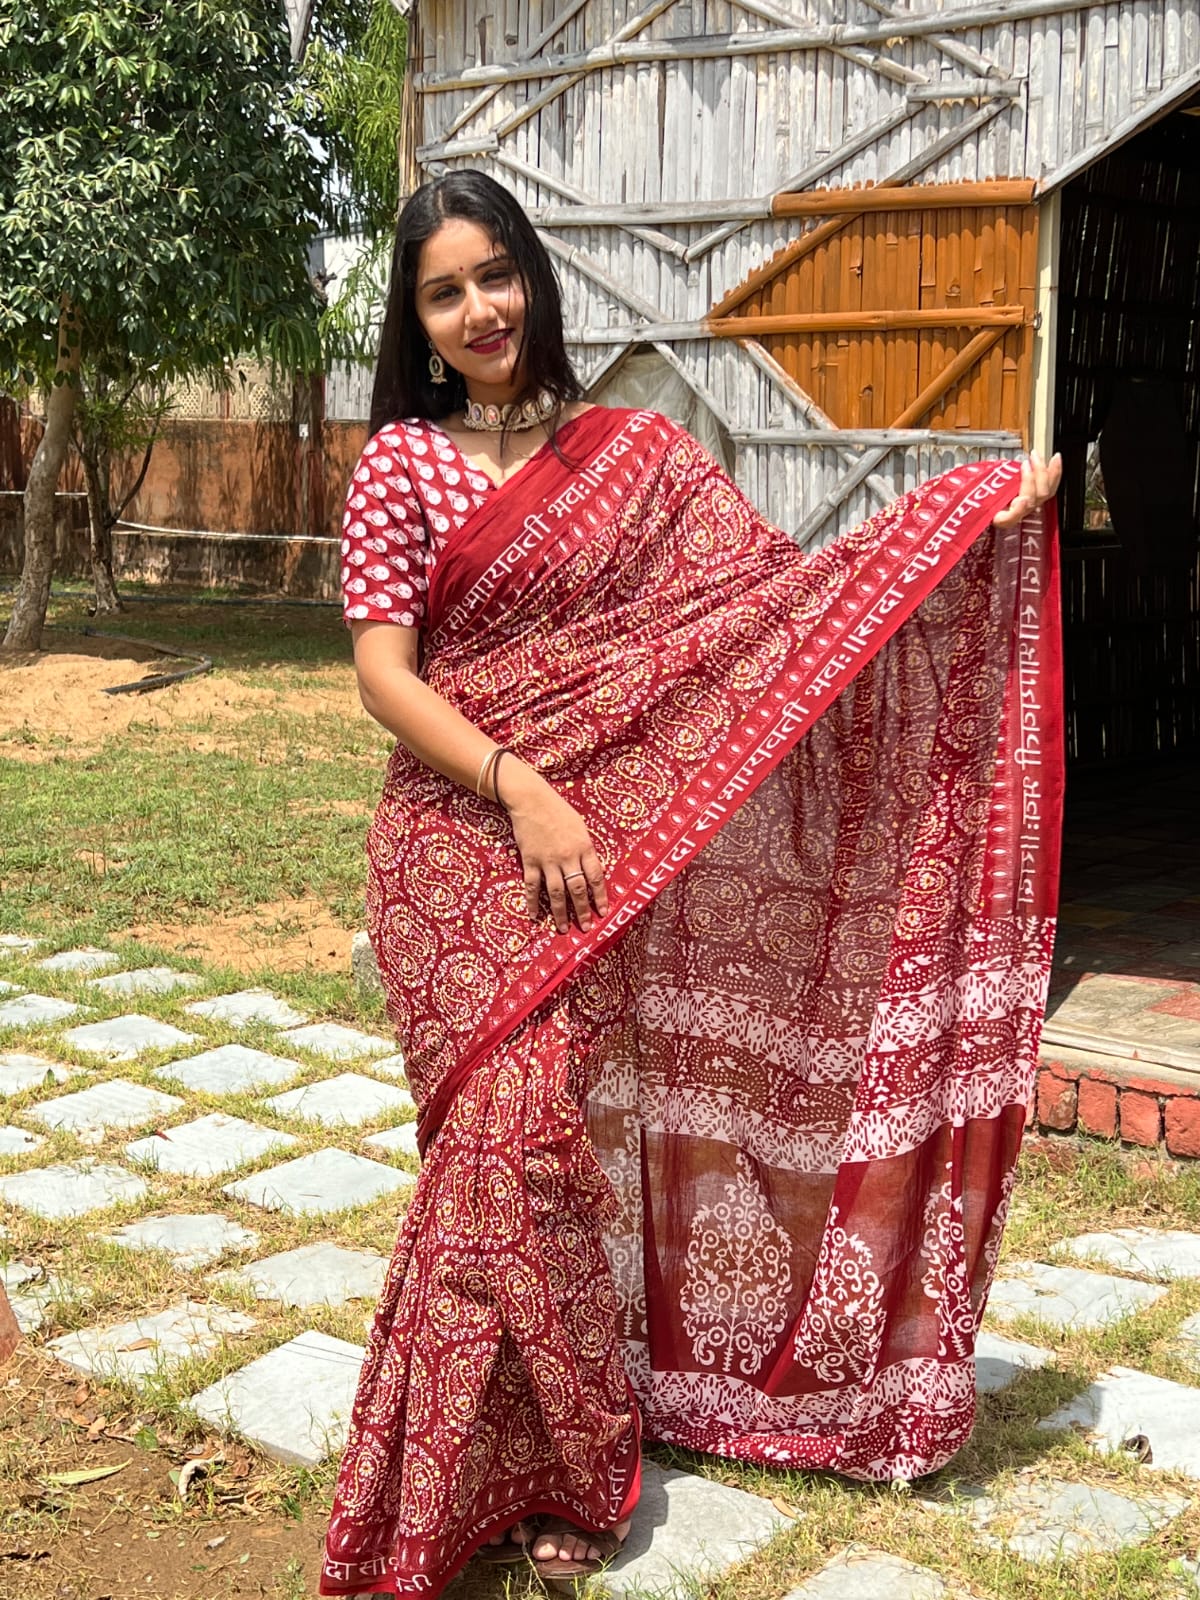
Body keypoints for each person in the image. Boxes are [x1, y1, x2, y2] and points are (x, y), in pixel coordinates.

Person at [319, 170, 1062, 1599]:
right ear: (414, 324)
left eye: (495, 275)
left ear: (534, 277)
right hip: (455, 844)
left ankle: (532, 1462)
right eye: (442, 292)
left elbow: (777, 609)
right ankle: (545, 1458)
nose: (478, 309)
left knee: (524, 1158)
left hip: (590, 860)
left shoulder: (640, 458)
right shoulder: (400, 468)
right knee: (506, 1151)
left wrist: (964, 523)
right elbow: (381, 678)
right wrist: (519, 781)